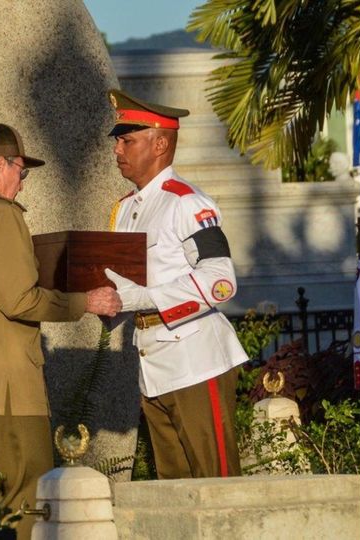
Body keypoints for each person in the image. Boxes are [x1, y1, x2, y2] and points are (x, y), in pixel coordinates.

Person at [0, 123, 121, 538]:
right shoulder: (0, 215)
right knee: (29, 506)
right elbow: (20, 300)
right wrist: (87, 302)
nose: (22, 184)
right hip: (8, 393)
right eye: (21, 172)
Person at [101, 89, 249, 479]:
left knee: (216, 484)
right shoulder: (126, 208)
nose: (117, 149)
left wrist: (144, 297)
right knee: (175, 492)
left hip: (195, 360)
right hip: (153, 364)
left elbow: (220, 282)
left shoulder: (186, 202)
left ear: (160, 143)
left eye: (127, 139)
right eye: (118, 140)